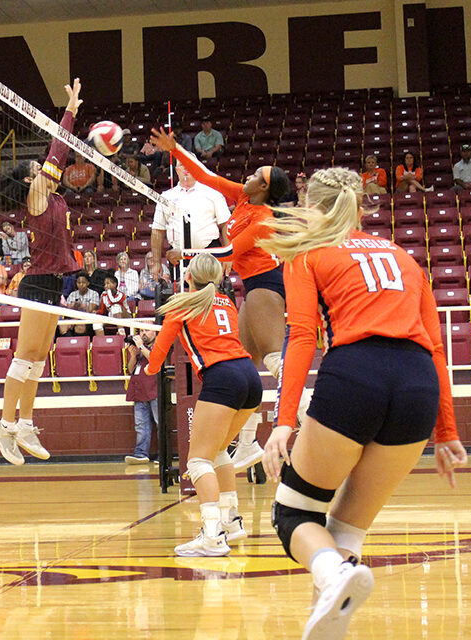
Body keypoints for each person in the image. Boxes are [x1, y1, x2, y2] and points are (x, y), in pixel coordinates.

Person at [258, 167, 467, 639]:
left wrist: (283, 422)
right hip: (417, 389)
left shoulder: (308, 252)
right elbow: (435, 347)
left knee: (293, 514)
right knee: (348, 527)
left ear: (313, 206)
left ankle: (331, 575)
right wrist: (447, 431)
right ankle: (330, 622)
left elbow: (301, 337)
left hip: (356, 374)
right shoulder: (405, 258)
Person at [150, 126, 294, 470]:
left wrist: (185, 253)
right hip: (252, 286)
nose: (248, 175)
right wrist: (175, 150)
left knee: (276, 362)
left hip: (267, 285)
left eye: (256, 175)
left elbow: (228, 252)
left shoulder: (264, 218)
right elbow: (205, 175)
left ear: (264, 189)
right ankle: (246, 444)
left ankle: (304, 414)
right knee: (248, 362)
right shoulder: (244, 199)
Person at [0, 78, 84, 465]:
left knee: (40, 357)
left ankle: (25, 422)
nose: (44, 168)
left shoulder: (52, 197)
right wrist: (71, 110)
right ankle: (4, 425)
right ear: (32, 179)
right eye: (38, 167)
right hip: (37, 283)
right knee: (25, 356)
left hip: (53, 282)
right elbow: (58, 150)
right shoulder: (37, 195)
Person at [145, 253, 263, 556]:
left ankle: (212, 534)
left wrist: (147, 366)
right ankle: (232, 522)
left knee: (198, 461)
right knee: (219, 450)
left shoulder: (183, 305)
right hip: (250, 377)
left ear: (188, 278)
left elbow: (158, 357)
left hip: (223, 378)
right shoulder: (226, 301)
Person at [151, 160, 230, 273]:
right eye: (182, 164)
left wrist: (228, 256)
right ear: (177, 170)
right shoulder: (166, 196)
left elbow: (226, 223)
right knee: (183, 290)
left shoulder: (213, 193)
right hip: (178, 257)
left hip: (209, 253)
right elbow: (157, 231)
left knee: (210, 290)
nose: (186, 167)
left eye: (190, 163)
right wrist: (156, 262)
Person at [125, 329, 159, 464]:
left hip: (155, 390)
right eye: (141, 331)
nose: (143, 333)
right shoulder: (141, 350)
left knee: (160, 423)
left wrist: (141, 347)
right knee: (140, 425)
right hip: (139, 391)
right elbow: (130, 369)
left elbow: (155, 360)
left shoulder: (158, 345)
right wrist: (133, 355)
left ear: (155, 332)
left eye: (147, 330)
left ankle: (163, 455)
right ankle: (141, 453)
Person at [61, 272, 99, 336]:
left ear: (88, 283)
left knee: (80, 326)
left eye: (83, 282)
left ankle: (80, 345)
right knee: (62, 326)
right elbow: (69, 311)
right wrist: (74, 306)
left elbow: (90, 310)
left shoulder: (94, 294)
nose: (81, 284)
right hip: (73, 318)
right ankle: (69, 344)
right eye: (79, 283)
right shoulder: (72, 294)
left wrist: (82, 306)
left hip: (87, 320)